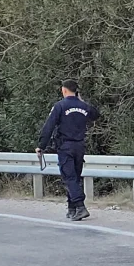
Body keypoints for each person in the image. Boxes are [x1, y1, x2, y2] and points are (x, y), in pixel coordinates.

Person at [36, 80, 99, 221]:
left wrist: (41, 145)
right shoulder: (83, 106)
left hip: (65, 147)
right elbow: (96, 115)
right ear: (76, 91)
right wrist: (81, 101)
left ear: (63, 90)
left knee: (69, 177)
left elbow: (49, 126)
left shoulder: (60, 106)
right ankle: (72, 209)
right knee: (75, 177)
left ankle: (80, 207)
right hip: (80, 147)